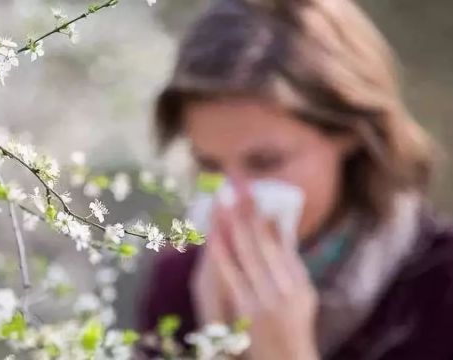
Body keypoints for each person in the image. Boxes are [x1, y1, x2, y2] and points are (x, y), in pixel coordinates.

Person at [139, 0, 453, 359]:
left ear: (349, 130)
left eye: (265, 162)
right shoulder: (180, 282)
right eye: (211, 166)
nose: (235, 196)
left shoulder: (438, 287)